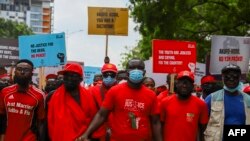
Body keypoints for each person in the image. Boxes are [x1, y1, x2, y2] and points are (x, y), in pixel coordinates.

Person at [76, 58, 162, 141]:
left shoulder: (151, 95)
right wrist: (86, 134)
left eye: (139, 68)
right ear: (127, 72)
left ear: (144, 72)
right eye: (132, 68)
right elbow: (102, 115)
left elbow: (155, 122)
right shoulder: (114, 91)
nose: (136, 70)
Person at [46, 63, 96, 141]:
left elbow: (93, 119)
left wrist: (86, 136)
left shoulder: (88, 95)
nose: (69, 78)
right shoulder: (53, 96)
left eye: (73, 76)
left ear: (80, 79)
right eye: (66, 75)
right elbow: (50, 122)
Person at [0, 59, 45, 141]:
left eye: (26, 70)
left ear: (32, 73)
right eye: (19, 69)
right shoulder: (5, 92)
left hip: (29, 138)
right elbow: (2, 118)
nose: (22, 72)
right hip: (8, 138)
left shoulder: (39, 95)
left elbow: (41, 121)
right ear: (15, 72)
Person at [204, 64, 250, 140]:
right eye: (227, 76)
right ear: (222, 78)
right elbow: (202, 123)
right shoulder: (212, 98)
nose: (231, 79)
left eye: (234, 76)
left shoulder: (248, 99)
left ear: (239, 78)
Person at [160, 70, 209, 141]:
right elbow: (160, 125)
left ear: (192, 86)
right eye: (182, 82)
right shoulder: (165, 102)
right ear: (176, 84)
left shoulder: (201, 104)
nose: (184, 85)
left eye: (188, 82)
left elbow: (202, 129)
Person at [88, 63, 118, 141]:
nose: (109, 77)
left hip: (116, 132)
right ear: (102, 75)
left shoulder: (122, 91)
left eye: (112, 75)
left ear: (116, 76)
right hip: (97, 132)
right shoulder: (92, 91)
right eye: (106, 74)